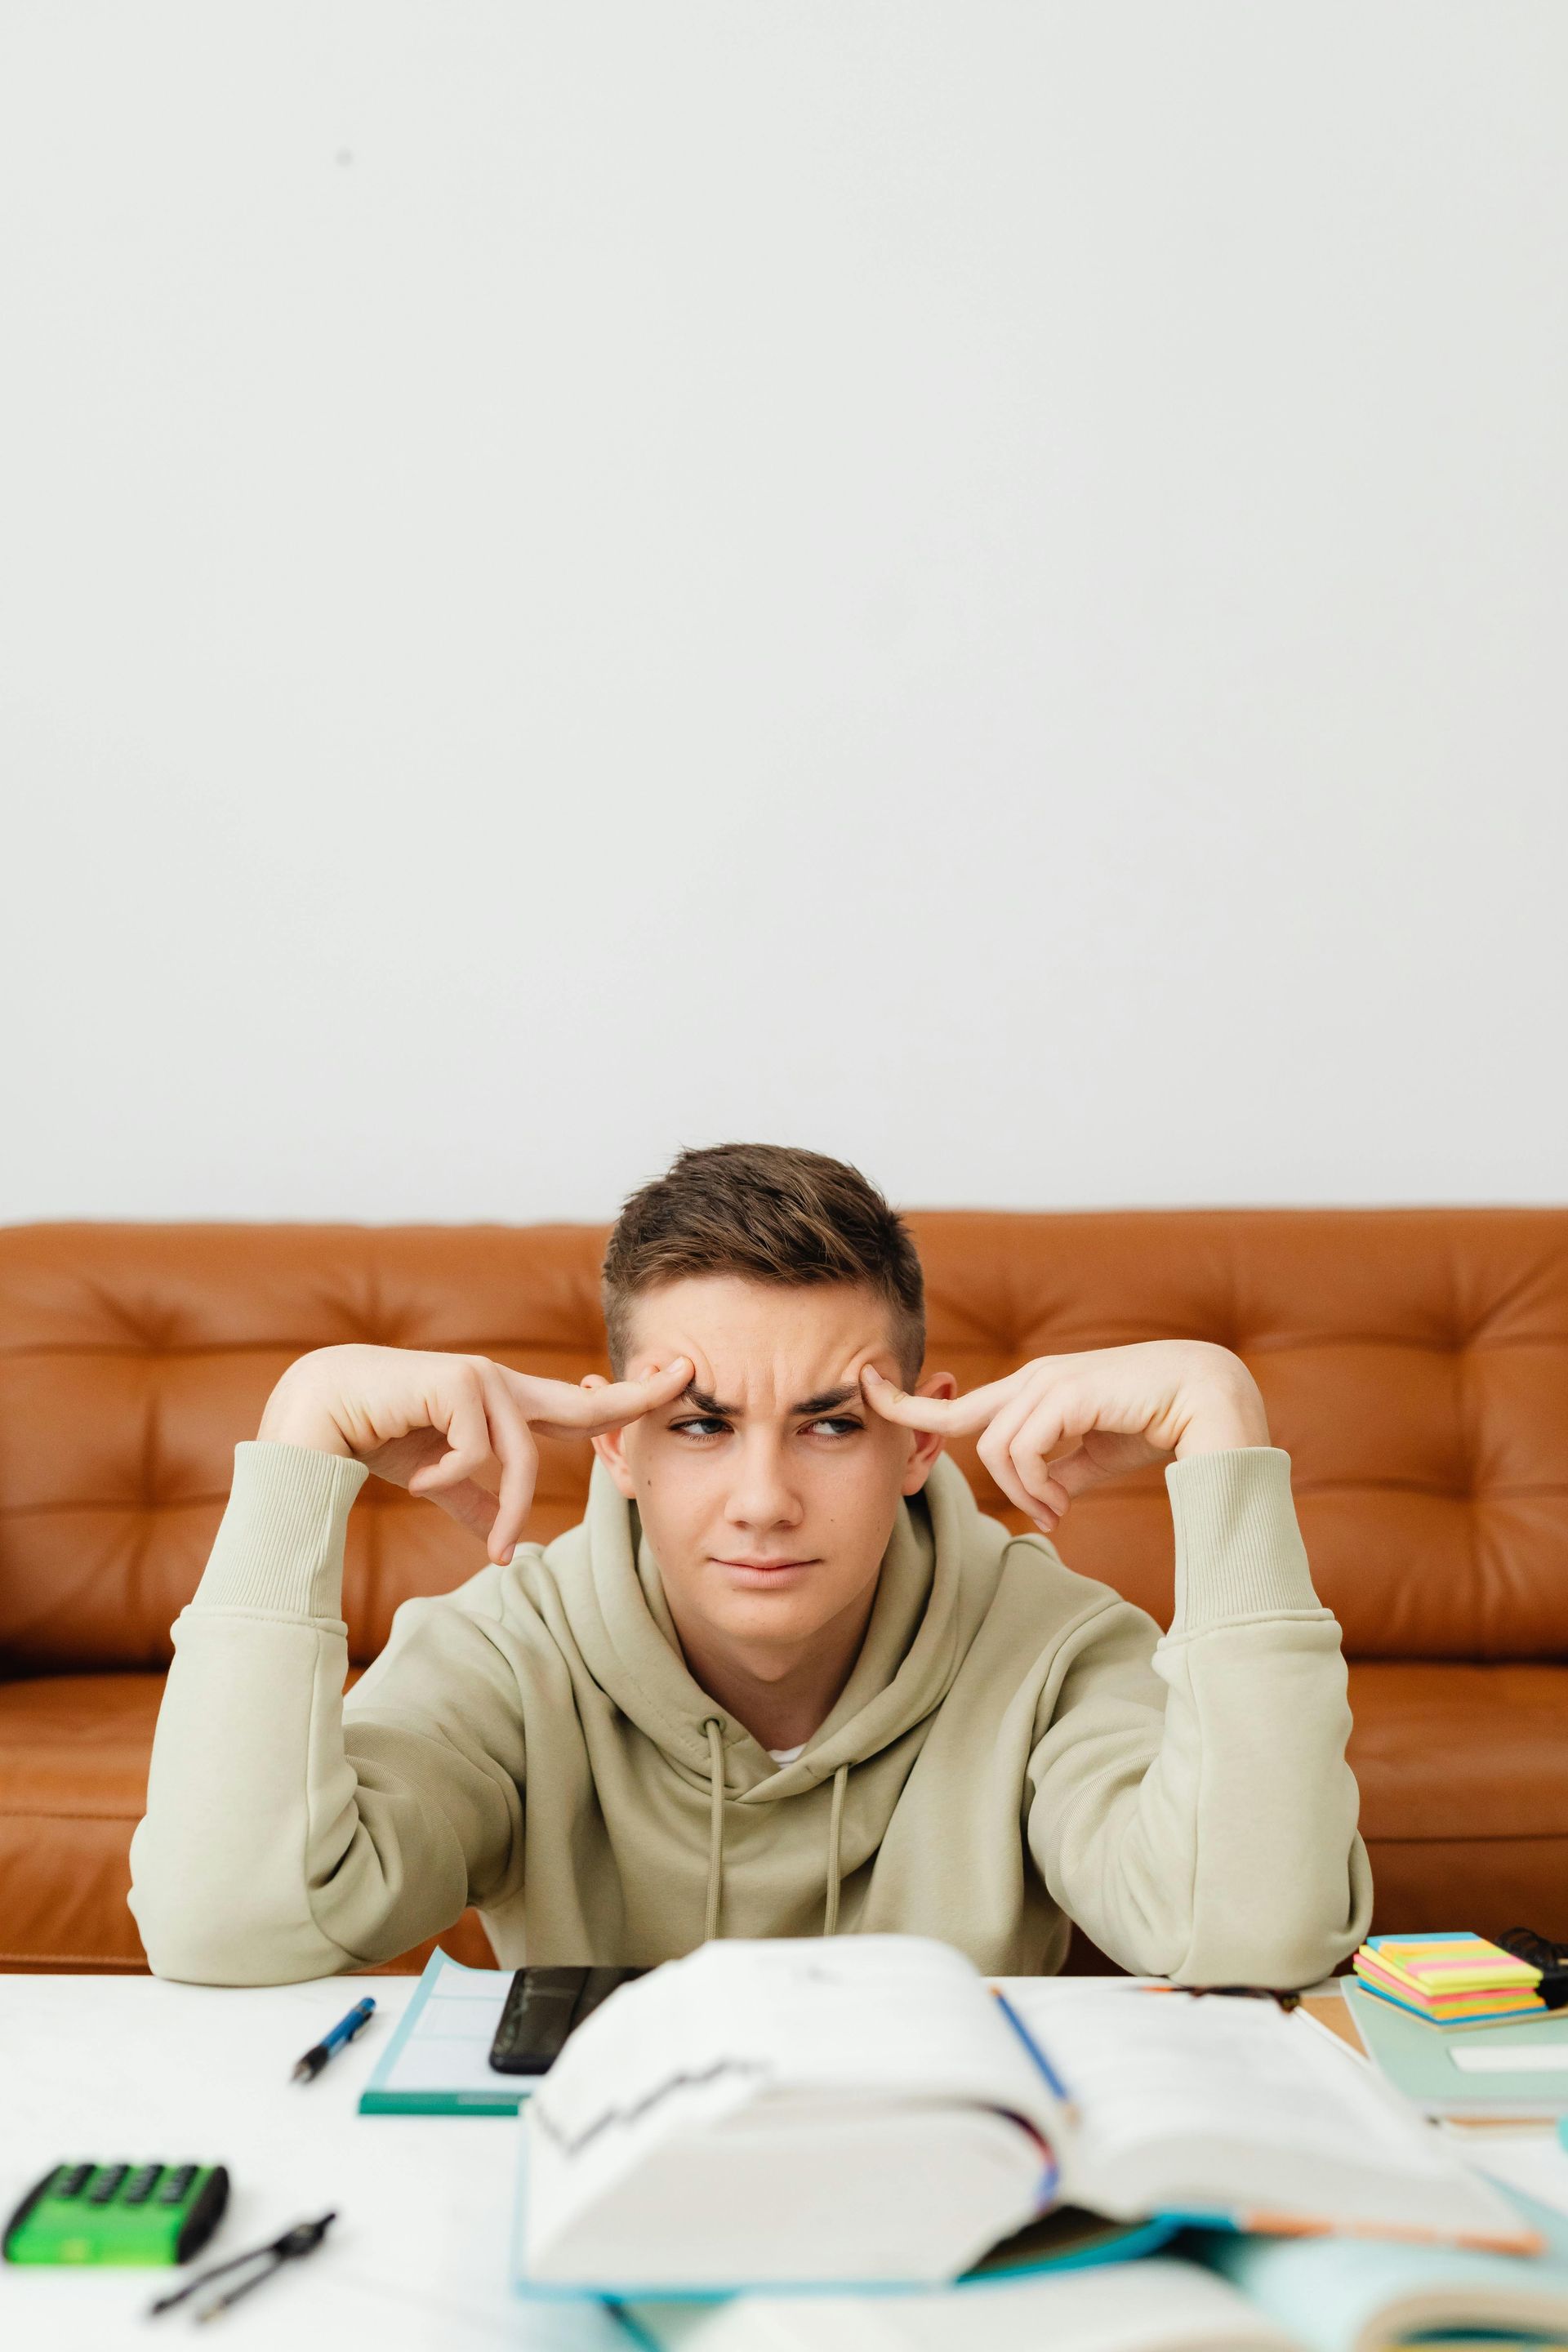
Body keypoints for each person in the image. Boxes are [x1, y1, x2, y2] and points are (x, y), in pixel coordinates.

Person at [129, 1143, 1372, 1985]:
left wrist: (1222, 1422)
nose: (766, 1502)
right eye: (701, 1424)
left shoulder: (1050, 1645)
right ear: (616, 1443)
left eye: (832, 1423)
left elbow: (1252, 1939)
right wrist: (301, 1437)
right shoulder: (507, 1651)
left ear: (916, 1442)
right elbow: (226, 1927)